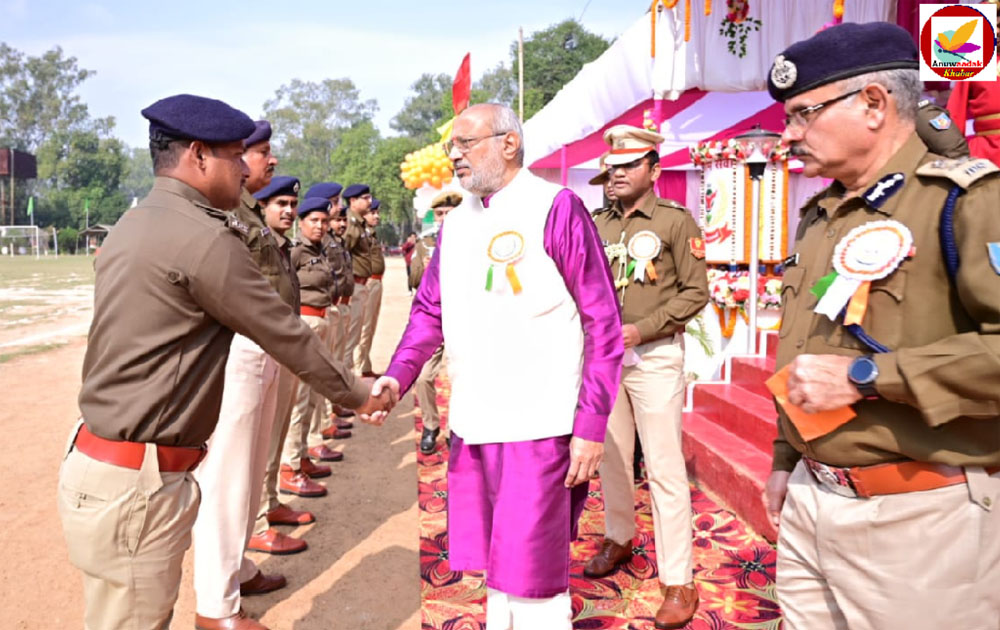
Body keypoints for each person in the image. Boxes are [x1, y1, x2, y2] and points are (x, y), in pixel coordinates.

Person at [56, 94, 388, 630]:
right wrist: (359, 392)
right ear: (198, 154)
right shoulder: (204, 236)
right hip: (138, 484)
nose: (245, 167)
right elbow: (284, 333)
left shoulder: (134, 222)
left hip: (100, 469)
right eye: (236, 154)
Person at [762, 22, 1000, 629]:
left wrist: (870, 377)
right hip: (814, 503)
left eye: (801, 115)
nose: (788, 135)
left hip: (920, 521)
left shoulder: (967, 199)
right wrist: (787, 459)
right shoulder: (821, 216)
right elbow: (811, 344)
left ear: (873, 104)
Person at [371, 103, 623, 629]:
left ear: (509, 143)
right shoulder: (458, 222)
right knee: (495, 566)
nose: (454, 157)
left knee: (532, 573)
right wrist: (397, 375)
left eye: (465, 143)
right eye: (450, 148)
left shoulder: (556, 207)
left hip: (540, 424)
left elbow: (604, 323)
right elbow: (428, 311)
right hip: (473, 419)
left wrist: (591, 424)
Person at [585, 125, 709, 630]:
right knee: (610, 457)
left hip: (654, 357)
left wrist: (643, 329)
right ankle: (620, 535)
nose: (615, 173)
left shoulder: (676, 221)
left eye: (628, 165)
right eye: (612, 165)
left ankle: (679, 579)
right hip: (605, 362)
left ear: (654, 170)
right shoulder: (596, 222)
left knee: (663, 468)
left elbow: (696, 293)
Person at [189, 125, 298, 628]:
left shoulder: (250, 208)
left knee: (250, 473)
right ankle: (216, 607)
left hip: (265, 347)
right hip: (238, 349)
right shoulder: (225, 207)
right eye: (260, 152)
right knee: (227, 477)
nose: (270, 161)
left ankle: (237, 568)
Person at [248, 176, 319, 557]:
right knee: (260, 442)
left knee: (275, 435)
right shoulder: (255, 245)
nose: (290, 211)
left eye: (293, 204)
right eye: (281, 205)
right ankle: (259, 522)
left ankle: (272, 501)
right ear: (262, 207)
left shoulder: (281, 246)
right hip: (262, 349)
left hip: (284, 347)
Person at [279, 196, 343, 496]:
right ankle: (290, 467)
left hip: (322, 320)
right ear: (301, 223)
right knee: (300, 399)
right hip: (304, 322)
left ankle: (303, 454)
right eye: (313, 220)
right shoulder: (295, 252)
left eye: (324, 221)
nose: (320, 226)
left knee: (315, 394)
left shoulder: (318, 250)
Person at [409, 190, 461, 455]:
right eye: (439, 214)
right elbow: (415, 279)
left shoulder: (472, 240)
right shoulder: (426, 243)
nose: (443, 218)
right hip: (434, 319)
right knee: (422, 377)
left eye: (448, 214)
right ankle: (431, 426)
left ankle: (457, 428)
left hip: (462, 318)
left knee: (461, 376)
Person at [306, 181, 355, 434]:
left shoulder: (331, 237)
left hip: (334, 308)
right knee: (321, 374)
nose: (339, 207)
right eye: (335, 201)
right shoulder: (317, 238)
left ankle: (328, 417)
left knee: (334, 366)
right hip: (319, 310)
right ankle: (322, 426)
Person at [343, 184, 375, 373]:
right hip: (354, 285)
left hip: (361, 285)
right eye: (365, 197)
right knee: (350, 338)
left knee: (355, 336)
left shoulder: (359, 223)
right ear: (353, 201)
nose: (369, 201)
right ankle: (346, 381)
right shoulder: (351, 224)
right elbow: (342, 255)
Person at [355, 197, 386, 377]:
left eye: (377, 212)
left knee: (371, 325)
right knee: (364, 327)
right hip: (368, 281)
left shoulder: (370, 233)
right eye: (372, 213)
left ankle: (365, 364)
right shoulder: (360, 233)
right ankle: (359, 368)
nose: (377, 216)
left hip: (377, 281)